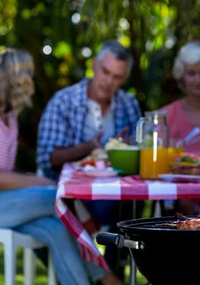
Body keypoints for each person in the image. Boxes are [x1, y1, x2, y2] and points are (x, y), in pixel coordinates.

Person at [0, 48, 121, 285]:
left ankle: (101, 280)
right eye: (28, 76)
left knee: (57, 228)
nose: (30, 83)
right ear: (13, 80)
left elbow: (5, 179)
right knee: (56, 196)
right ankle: (109, 279)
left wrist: (33, 183)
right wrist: (41, 181)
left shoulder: (8, 120)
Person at [36, 40, 141, 276]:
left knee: (131, 204)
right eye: (105, 72)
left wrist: (127, 149)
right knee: (124, 209)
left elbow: (138, 156)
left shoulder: (128, 104)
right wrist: (89, 147)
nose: (109, 81)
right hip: (72, 197)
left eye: (117, 77)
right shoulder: (64, 101)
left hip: (113, 193)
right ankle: (110, 279)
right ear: (94, 65)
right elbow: (48, 157)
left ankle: (115, 273)